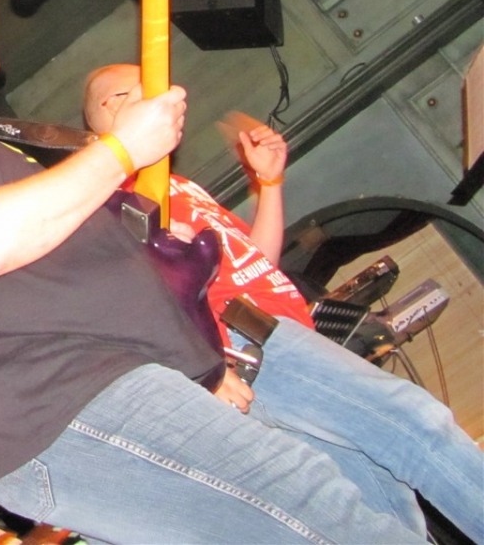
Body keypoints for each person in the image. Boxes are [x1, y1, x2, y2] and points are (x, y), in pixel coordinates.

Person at [0, 0, 452, 543]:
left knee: (363, 508)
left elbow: (84, 284)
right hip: (57, 400)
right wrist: (121, 149)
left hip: (101, 389)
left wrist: (197, 367)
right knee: (328, 512)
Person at [83, 63, 484, 541]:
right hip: (247, 343)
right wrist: (204, 363)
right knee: (415, 425)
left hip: (268, 334)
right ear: (111, 106)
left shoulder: (177, 184)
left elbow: (257, 262)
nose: (170, 98)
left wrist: (269, 184)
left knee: (380, 506)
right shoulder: (114, 195)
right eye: (149, 89)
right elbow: (130, 302)